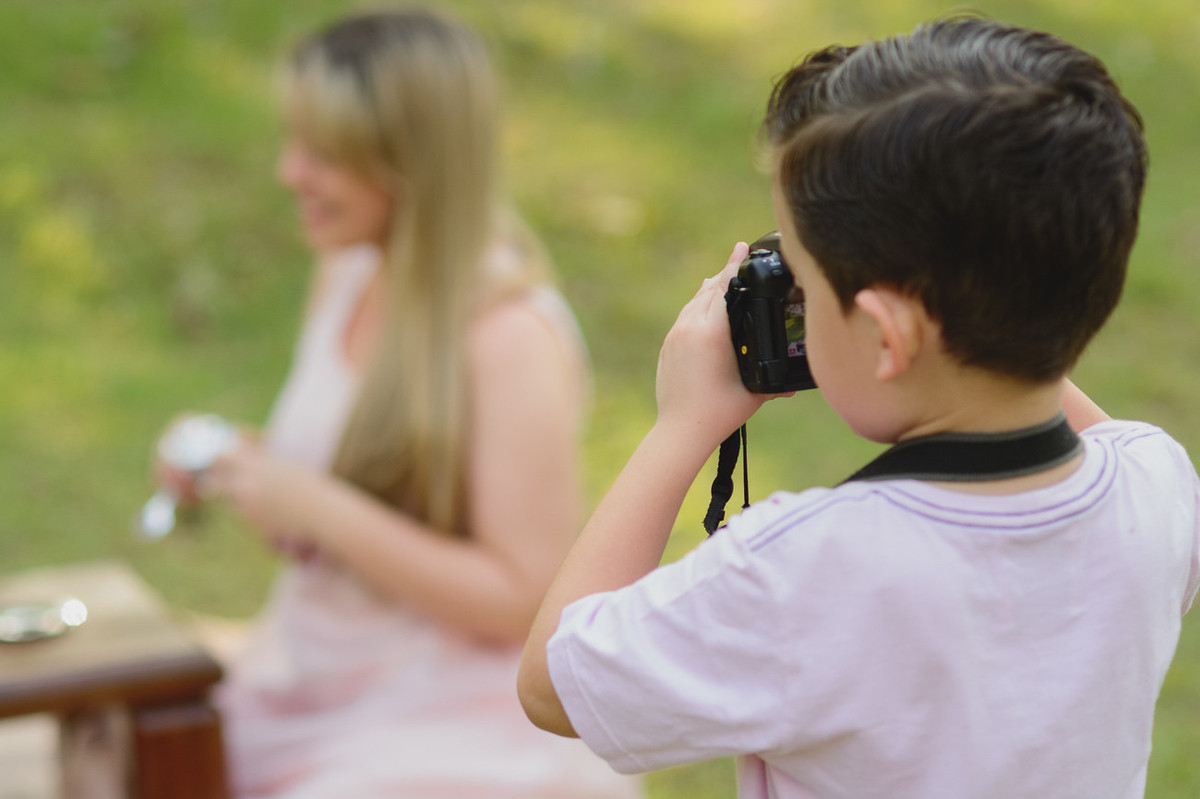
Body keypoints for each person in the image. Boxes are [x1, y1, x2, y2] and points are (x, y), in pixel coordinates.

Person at [518, 16, 1200, 799]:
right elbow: (1067, 414)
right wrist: (1020, 326)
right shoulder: (1156, 482)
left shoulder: (805, 568)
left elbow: (551, 684)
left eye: (800, 285)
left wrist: (683, 427)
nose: (792, 300)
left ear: (884, 335)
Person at [155, 8, 641, 798]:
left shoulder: (509, 335)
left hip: (438, 715)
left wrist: (315, 506)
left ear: (409, 163)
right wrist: (229, 462)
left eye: (323, 154)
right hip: (304, 679)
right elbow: (357, 470)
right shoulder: (349, 272)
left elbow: (523, 595)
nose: (289, 174)